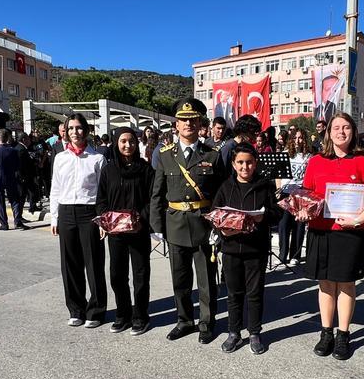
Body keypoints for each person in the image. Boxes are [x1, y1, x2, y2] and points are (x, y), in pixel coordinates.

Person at [298, 113, 364, 361]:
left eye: (346, 127)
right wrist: (303, 210)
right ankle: (326, 332)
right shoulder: (316, 161)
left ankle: (343, 334)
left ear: (353, 132)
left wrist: (358, 220)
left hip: (349, 232)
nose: (341, 132)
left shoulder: (363, 162)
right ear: (328, 132)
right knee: (325, 283)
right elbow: (307, 195)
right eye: (336, 127)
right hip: (320, 230)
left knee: (345, 284)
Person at [150, 98, 227, 344]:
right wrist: (157, 226)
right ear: (176, 124)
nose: (188, 124)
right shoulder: (165, 155)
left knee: (206, 279)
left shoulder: (212, 155)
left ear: (200, 123)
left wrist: (219, 224)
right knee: (180, 278)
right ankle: (184, 320)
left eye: (193, 120)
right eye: (183, 120)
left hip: (203, 224)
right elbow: (157, 193)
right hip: (175, 224)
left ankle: (206, 322)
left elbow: (220, 193)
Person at [211, 143, 278, 355]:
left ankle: (255, 332)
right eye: (240, 162)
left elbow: (277, 214)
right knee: (233, 293)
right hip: (231, 248)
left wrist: (263, 216)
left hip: (256, 249)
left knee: (255, 293)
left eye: (249, 162)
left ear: (255, 163)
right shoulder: (225, 187)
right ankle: (234, 332)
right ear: (233, 164)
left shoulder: (264, 185)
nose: (245, 167)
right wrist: (222, 229)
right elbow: (215, 214)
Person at [50, 113, 109, 327]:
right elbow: (55, 188)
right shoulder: (60, 158)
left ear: (87, 130)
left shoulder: (97, 158)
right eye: (71, 128)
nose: (75, 132)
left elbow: (103, 193)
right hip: (66, 212)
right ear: (66, 131)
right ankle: (76, 309)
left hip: (89, 212)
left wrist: (103, 220)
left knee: (94, 263)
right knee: (70, 264)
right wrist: (54, 217)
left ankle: (96, 311)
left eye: (79, 128)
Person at [95, 127, 154, 336]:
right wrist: (105, 219)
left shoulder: (146, 169)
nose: (128, 145)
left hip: (138, 231)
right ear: (116, 143)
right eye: (123, 141)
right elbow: (101, 199)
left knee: (140, 275)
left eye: (131, 141)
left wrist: (141, 219)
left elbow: (152, 200)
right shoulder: (109, 170)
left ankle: (140, 316)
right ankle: (123, 314)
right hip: (116, 233)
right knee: (117, 275)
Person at [277, 128, 312, 266]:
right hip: (286, 192)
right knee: (283, 225)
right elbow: (278, 176)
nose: (298, 141)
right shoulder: (285, 154)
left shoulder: (308, 156)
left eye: (301, 138)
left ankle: (295, 255)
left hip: (301, 193)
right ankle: (282, 254)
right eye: (295, 138)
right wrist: (278, 190)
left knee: (299, 225)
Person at [0, 128, 26, 231]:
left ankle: (4, 224)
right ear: (7, 138)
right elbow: (17, 166)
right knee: (15, 200)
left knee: (0, 202)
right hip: (10, 178)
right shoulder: (13, 151)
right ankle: (17, 221)